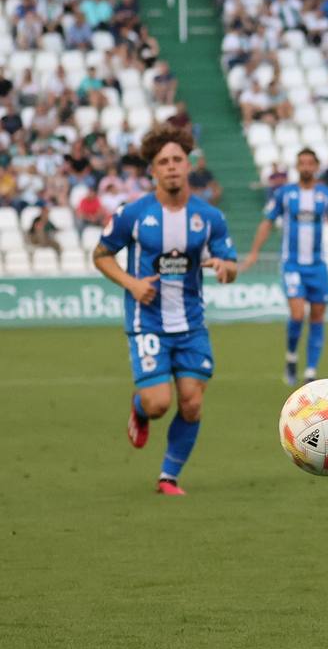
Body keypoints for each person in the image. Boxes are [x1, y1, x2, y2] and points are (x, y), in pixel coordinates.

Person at [92, 124, 238, 495]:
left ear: (188, 165)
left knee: (191, 404)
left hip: (191, 324)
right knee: (159, 404)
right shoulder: (133, 214)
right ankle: (140, 409)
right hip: (149, 323)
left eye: (177, 159)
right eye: (163, 162)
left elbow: (230, 262)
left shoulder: (210, 217)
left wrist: (225, 268)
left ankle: (168, 477)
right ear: (152, 170)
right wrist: (132, 283)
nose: (172, 166)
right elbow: (101, 255)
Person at [239, 148, 328, 385]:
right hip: (292, 265)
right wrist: (255, 252)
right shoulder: (285, 194)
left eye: (310, 163)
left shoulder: (326, 195)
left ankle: (310, 371)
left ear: (316, 166)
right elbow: (267, 223)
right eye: (302, 163)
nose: (306, 167)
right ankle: (291, 356)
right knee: (298, 314)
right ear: (297, 167)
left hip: (317, 267)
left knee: (317, 317)